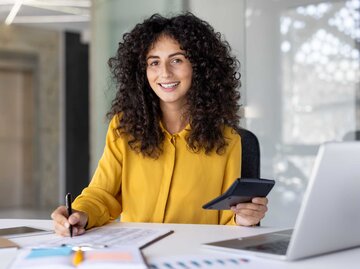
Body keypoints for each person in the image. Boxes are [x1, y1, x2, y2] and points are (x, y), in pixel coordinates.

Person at [51, 12, 268, 236]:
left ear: (200, 67)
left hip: (194, 255)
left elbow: (228, 221)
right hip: (136, 253)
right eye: (154, 62)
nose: (164, 73)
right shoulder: (123, 128)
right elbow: (101, 194)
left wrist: (244, 219)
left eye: (177, 60)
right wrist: (80, 215)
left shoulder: (228, 138)